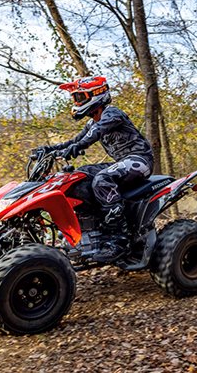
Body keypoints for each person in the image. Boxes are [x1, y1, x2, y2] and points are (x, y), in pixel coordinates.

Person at [38, 76, 154, 262]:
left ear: (97, 95)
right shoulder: (92, 123)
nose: (77, 102)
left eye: (80, 97)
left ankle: (120, 239)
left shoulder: (112, 113)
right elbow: (74, 141)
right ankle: (94, 228)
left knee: (102, 179)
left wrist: (76, 148)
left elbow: (95, 133)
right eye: (75, 98)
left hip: (140, 161)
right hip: (122, 162)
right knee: (78, 176)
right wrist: (48, 150)